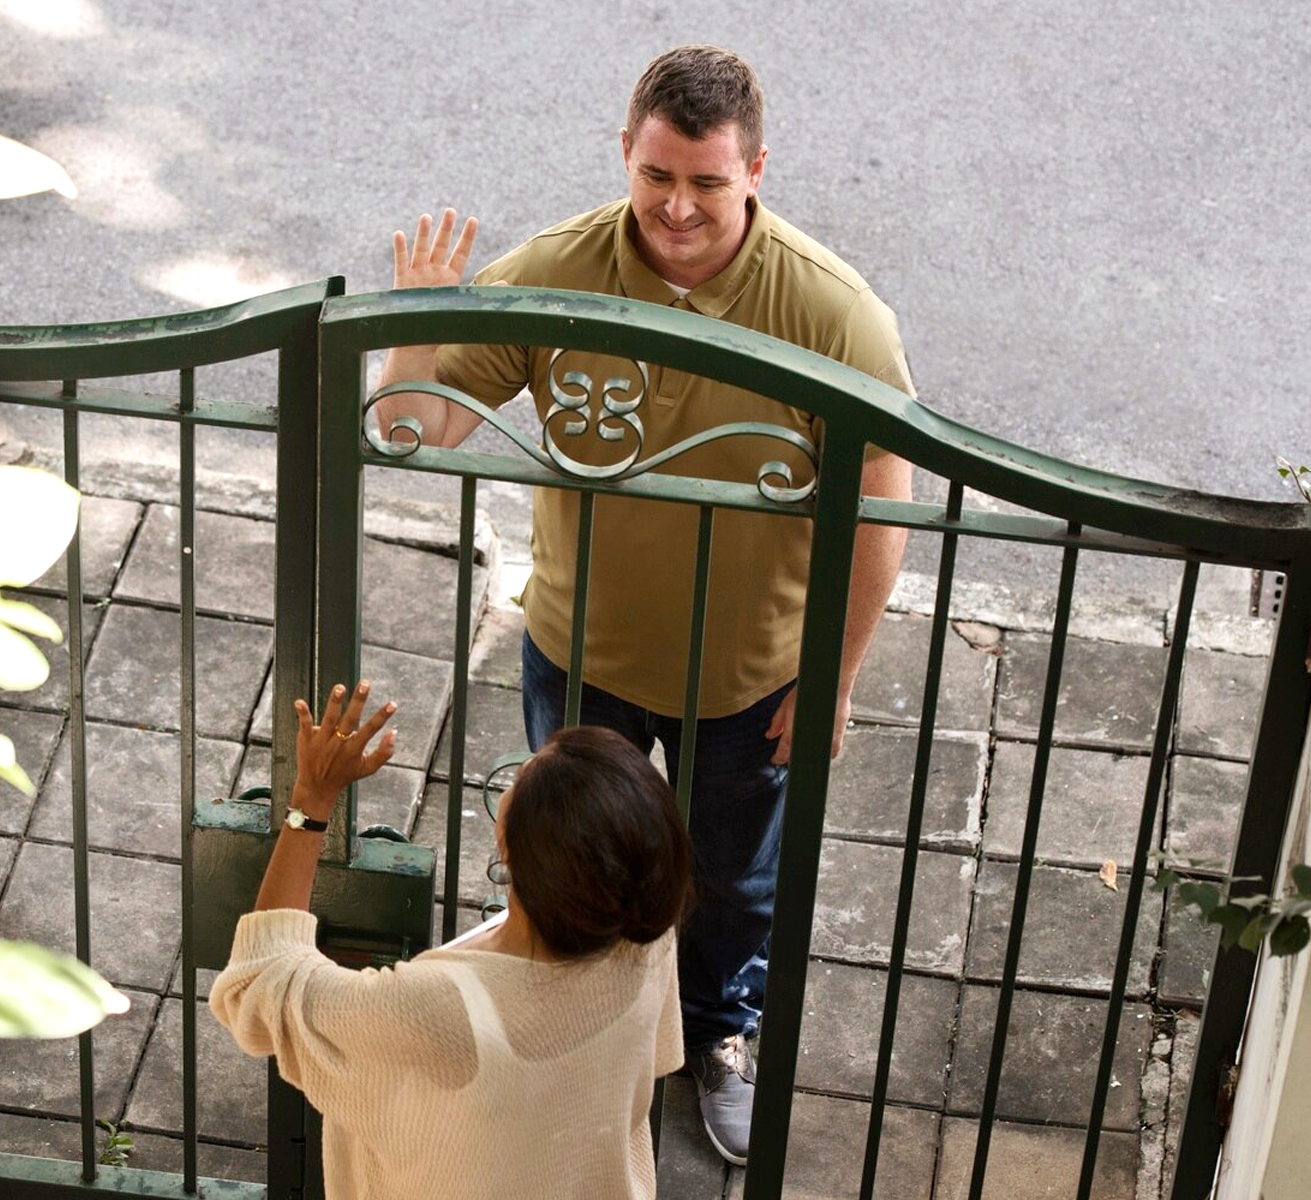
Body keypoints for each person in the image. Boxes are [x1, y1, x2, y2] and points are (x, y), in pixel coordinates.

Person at [369, 45, 917, 1165]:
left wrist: (836, 675)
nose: (677, 206)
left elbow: (880, 511)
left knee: (731, 882)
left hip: (745, 675)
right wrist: (417, 326)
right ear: (626, 152)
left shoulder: (829, 311)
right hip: (579, 657)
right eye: (658, 174)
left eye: (707, 182)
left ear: (755, 170)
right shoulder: (558, 270)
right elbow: (414, 431)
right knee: (569, 870)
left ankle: (716, 1034)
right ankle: (568, 1042)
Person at [210, 683, 692, 1200]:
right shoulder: (643, 924)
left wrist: (311, 799)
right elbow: (655, 1058)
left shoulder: (441, 1007)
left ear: (513, 853)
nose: (526, 767)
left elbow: (255, 988)